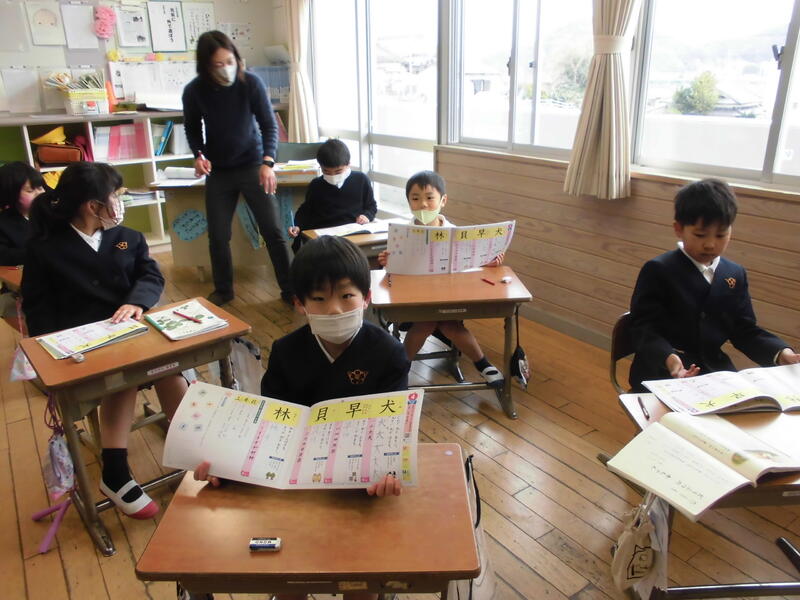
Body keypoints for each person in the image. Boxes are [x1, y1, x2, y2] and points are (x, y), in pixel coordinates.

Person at [194, 235, 409, 600]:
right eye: (319, 299)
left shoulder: (388, 353)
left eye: (347, 296)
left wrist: (388, 469)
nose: (335, 310)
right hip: (297, 483)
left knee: (360, 580)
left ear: (366, 297)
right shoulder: (286, 352)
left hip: (361, 485)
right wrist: (225, 466)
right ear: (299, 304)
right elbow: (271, 425)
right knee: (290, 577)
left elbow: (392, 429)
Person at [22, 162, 188, 519]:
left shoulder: (127, 237)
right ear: (93, 206)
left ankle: (195, 454)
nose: (120, 201)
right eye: (116, 195)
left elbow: (150, 275)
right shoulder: (45, 248)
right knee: (121, 379)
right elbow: (37, 309)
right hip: (83, 349)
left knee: (171, 370)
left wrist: (137, 302)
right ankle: (115, 472)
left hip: (134, 333)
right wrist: (51, 356)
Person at [628, 178, 799, 391]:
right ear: (679, 229)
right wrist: (669, 358)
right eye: (700, 235)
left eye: (721, 235)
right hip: (662, 373)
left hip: (715, 371)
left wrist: (781, 353)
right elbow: (643, 328)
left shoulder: (734, 273)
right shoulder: (659, 270)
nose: (710, 244)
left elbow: (744, 330)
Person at [182, 30, 293, 307]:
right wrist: (198, 155)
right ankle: (224, 290)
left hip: (253, 166)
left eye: (230, 61)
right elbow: (192, 128)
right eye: (218, 64)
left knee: (272, 230)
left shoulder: (251, 83)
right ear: (206, 66)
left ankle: (290, 290)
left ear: (236, 58)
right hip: (219, 172)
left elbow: (269, 126)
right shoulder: (195, 91)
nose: (226, 68)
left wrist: (268, 162)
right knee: (218, 236)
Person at [377, 170, 506, 387]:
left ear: (443, 200)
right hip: (414, 297)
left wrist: (488, 262)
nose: (423, 204)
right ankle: (403, 370)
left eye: (430, 198)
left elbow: (468, 262)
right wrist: (387, 261)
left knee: (445, 323)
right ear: (409, 202)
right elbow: (394, 272)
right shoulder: (403, 233)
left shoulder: (454, 232)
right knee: (429, 322)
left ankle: (482, 365)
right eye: (415, 198)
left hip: (448, 295)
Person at [287, 139, 377, 251]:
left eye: (338, 171)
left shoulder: (361, 180)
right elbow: (305, 211)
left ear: (348, 164)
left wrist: (366, 216)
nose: (333, 176)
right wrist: (297, 226)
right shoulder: (316, 185)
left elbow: (371, 206)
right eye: (326, 172)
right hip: (324, 238)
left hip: (352, 234)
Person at [0, 161, 45, 266]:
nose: (39, 194)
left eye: (40, 188)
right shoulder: (3, 225)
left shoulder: (51, 213)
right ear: (12, 194)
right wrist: (42, 253)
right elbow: (3, 256)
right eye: (30, 191)